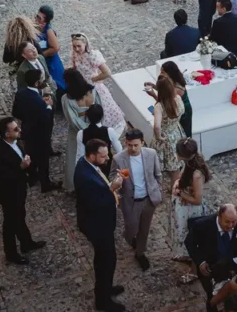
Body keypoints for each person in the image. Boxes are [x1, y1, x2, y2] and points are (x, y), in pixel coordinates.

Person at [75, 139, 126, 312]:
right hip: (97, 226)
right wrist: (113, 188)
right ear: (91, 155)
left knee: (107, 259)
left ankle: (107, 287)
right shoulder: (85, 177)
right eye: (103, 156)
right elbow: (97, 203)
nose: (107, 158)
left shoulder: (87, 165)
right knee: (105, 261)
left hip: (101, 223)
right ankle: (103, 301)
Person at [0, 117, 46, 265]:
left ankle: (26, 243)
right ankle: (11, 254)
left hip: (19, 190)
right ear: (7, 134)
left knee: (20, 217)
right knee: (10, 224)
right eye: (15, 129)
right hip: (9, 193)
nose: (19, 130)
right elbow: (3, 176)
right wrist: (20, 167)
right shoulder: (0, 152)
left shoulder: (16, 142)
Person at [111, 128, 163, 270]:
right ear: (125, 143)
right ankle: (132, 240)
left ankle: (140, 253)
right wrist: (117, 182)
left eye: (136, 145)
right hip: (130, 202)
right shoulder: (118, 159)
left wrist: (157, 191)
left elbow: (158, 174)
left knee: (144, 229)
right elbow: (111, 178)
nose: (132, 148)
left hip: (148, 200)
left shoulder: (151, 154)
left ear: (142, 142)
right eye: (129, 145)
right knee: (130, 229)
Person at [185, 206, 237, 312]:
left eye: (233, 222)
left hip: (234, 264)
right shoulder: (201, 225)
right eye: (227, 222)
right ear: (219, 216)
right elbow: (189, 243)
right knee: (212, 295)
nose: (231, 226)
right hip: (211, 266)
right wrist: (201, 262)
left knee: (234, 295)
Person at [12, 65, 59, 192]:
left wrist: (28, 118)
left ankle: (32, 177)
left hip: (27, 130)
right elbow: (45, 119)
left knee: (30, 153)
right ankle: (46, 184)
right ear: (37, 83)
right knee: (43, 159)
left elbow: (15, 112)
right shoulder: (38, 102)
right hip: (40, 134)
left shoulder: (21, 93)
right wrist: (48, 107)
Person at [70, 33, 124, 137]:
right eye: (74, 46)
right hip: (82, 88)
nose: (76, 49)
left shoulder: (92, 55)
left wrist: (94, 78)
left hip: (94, 88)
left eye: (79, 46)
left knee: (102, 109)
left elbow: (107, 72)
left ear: (85, 44)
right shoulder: (74, 54)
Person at [171, 138, 212, 261]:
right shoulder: (189, 164)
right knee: (181, 232)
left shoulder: (197, 174)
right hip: (184, 206)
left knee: (187, 233)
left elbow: (197, 200)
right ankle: (184, 254)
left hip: (190, 210)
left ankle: (190, 258)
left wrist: (180, 193)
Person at [62, 69, 102, 192]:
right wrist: (95, 127)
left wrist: (86, 129)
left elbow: (73, 120)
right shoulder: (93, 91)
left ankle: (73, 185)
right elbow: (100, 110)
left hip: (77, 134)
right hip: (95, 130)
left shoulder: (67, 99)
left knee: (74, 157)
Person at [146, 73, 185, 173]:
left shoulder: (159, 106)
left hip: (165, 136)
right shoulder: (178, 98)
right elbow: (170, 108)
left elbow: (157, 127)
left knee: (160, 167)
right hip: (176, 132)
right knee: (175, 167)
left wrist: (159, 137)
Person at [34, 5, 67, 101]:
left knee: (56, 82)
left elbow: (56, 48)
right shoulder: (36, 25)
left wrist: (41, 55)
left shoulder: (48, 30)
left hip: (51, 62)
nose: (37, 19)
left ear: (45, 21)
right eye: (37, 16)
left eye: (39, 18)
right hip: (44, 61)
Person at [76, 104, 123, 169]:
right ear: (102, 116)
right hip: (107, 167)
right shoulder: (109, 131)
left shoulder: (81, 134)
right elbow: (119, 151)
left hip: (90, 168)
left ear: (88, 117)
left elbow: (80, 156)